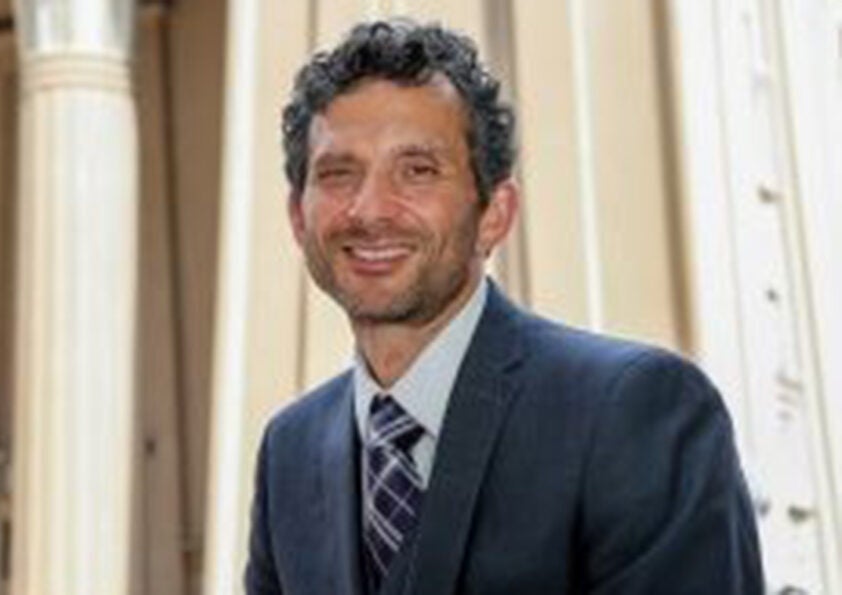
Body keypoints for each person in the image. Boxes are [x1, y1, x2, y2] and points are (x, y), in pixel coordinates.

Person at [244, 18, 764, 595]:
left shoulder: (634, 412)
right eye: (339, 174)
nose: (370, 210)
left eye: (417, 171)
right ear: (298, 216)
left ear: (495, 212)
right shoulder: (288, 451)